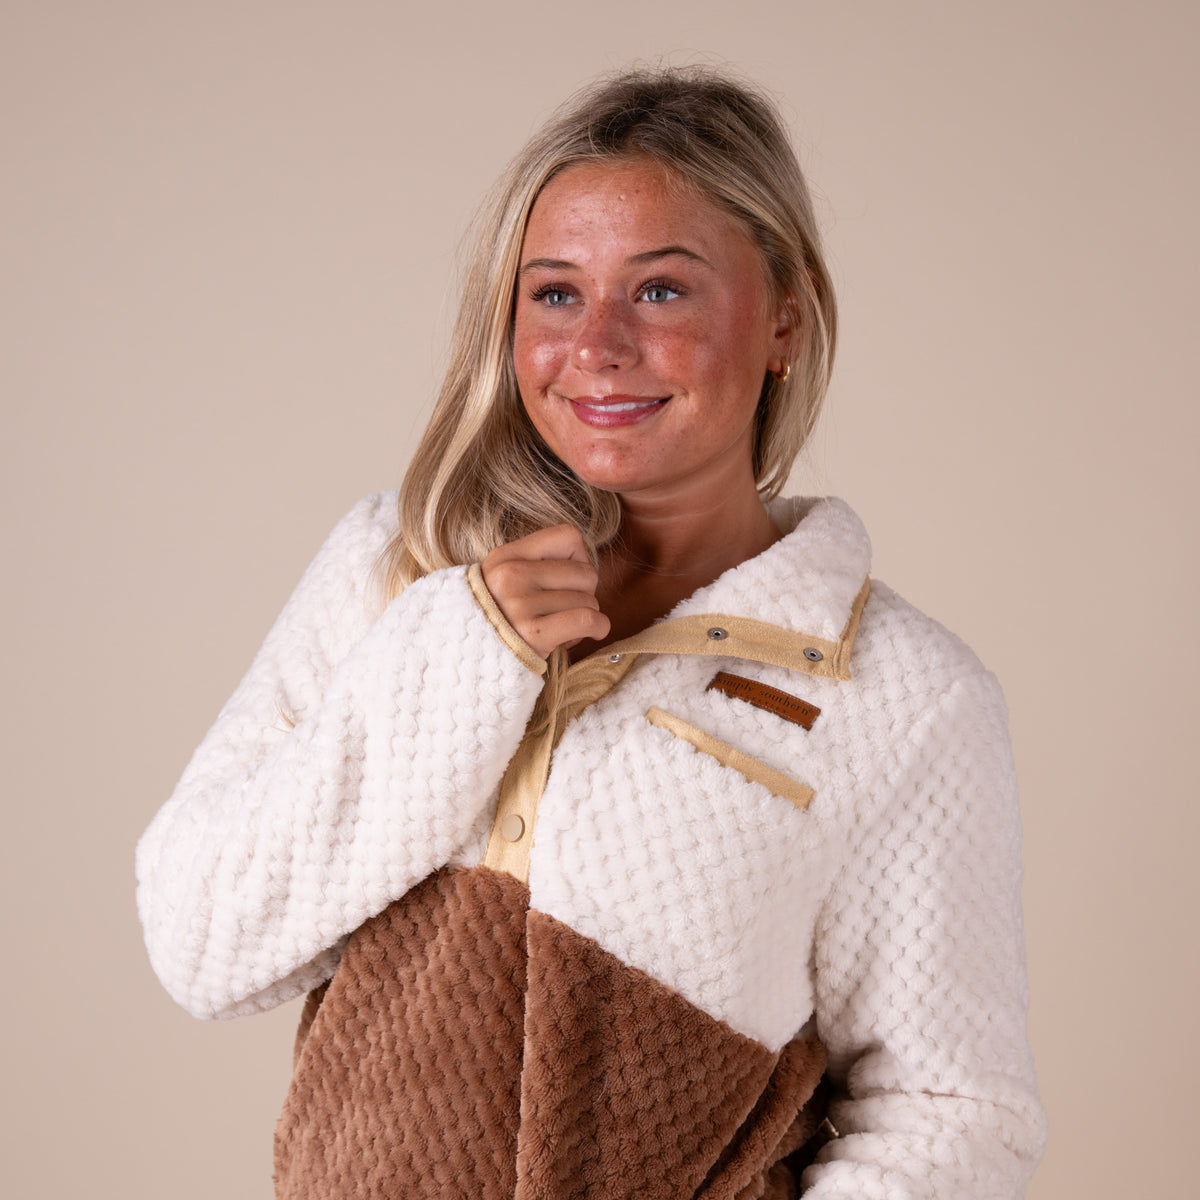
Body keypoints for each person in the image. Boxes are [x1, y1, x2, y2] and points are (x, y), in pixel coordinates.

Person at [137, 68, 1046, 1198]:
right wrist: (458, 653)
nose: (598, 346)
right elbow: (200, 940)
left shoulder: (906, 697)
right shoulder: (402, 568)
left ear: (785, 319)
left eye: (661, 292)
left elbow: (954, 1113)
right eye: (555, 294)